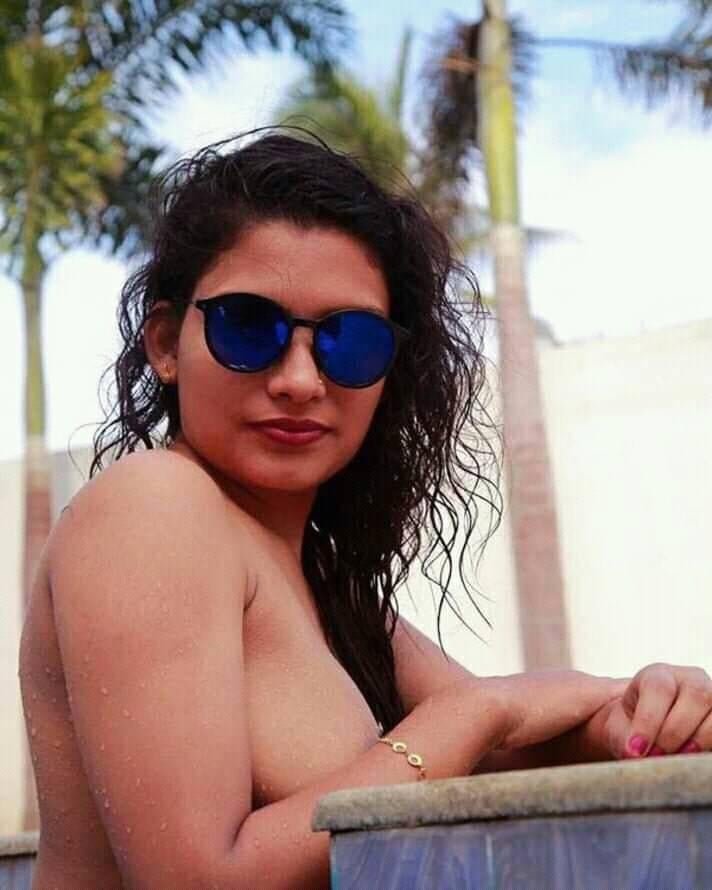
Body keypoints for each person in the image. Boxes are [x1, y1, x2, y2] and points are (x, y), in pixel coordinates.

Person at [20, 129, 711, 889]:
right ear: (164, 343)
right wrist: (476, 713)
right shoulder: (152, 506)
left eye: (349, 343)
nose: (299, 380)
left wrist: (642, 712)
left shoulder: (321, 583)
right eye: (248, 327)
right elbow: (196, 880)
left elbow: (506, 743)